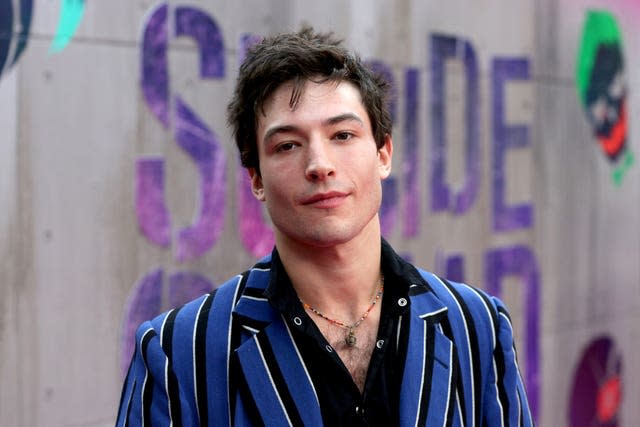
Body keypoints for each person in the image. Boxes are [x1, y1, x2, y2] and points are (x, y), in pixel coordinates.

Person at [116, 27, 534, 427]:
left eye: (343, 135)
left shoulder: (477, 327)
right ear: (256, 178)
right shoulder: (178, 353)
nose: (319, 165)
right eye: (288, 145)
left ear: (383, 153)